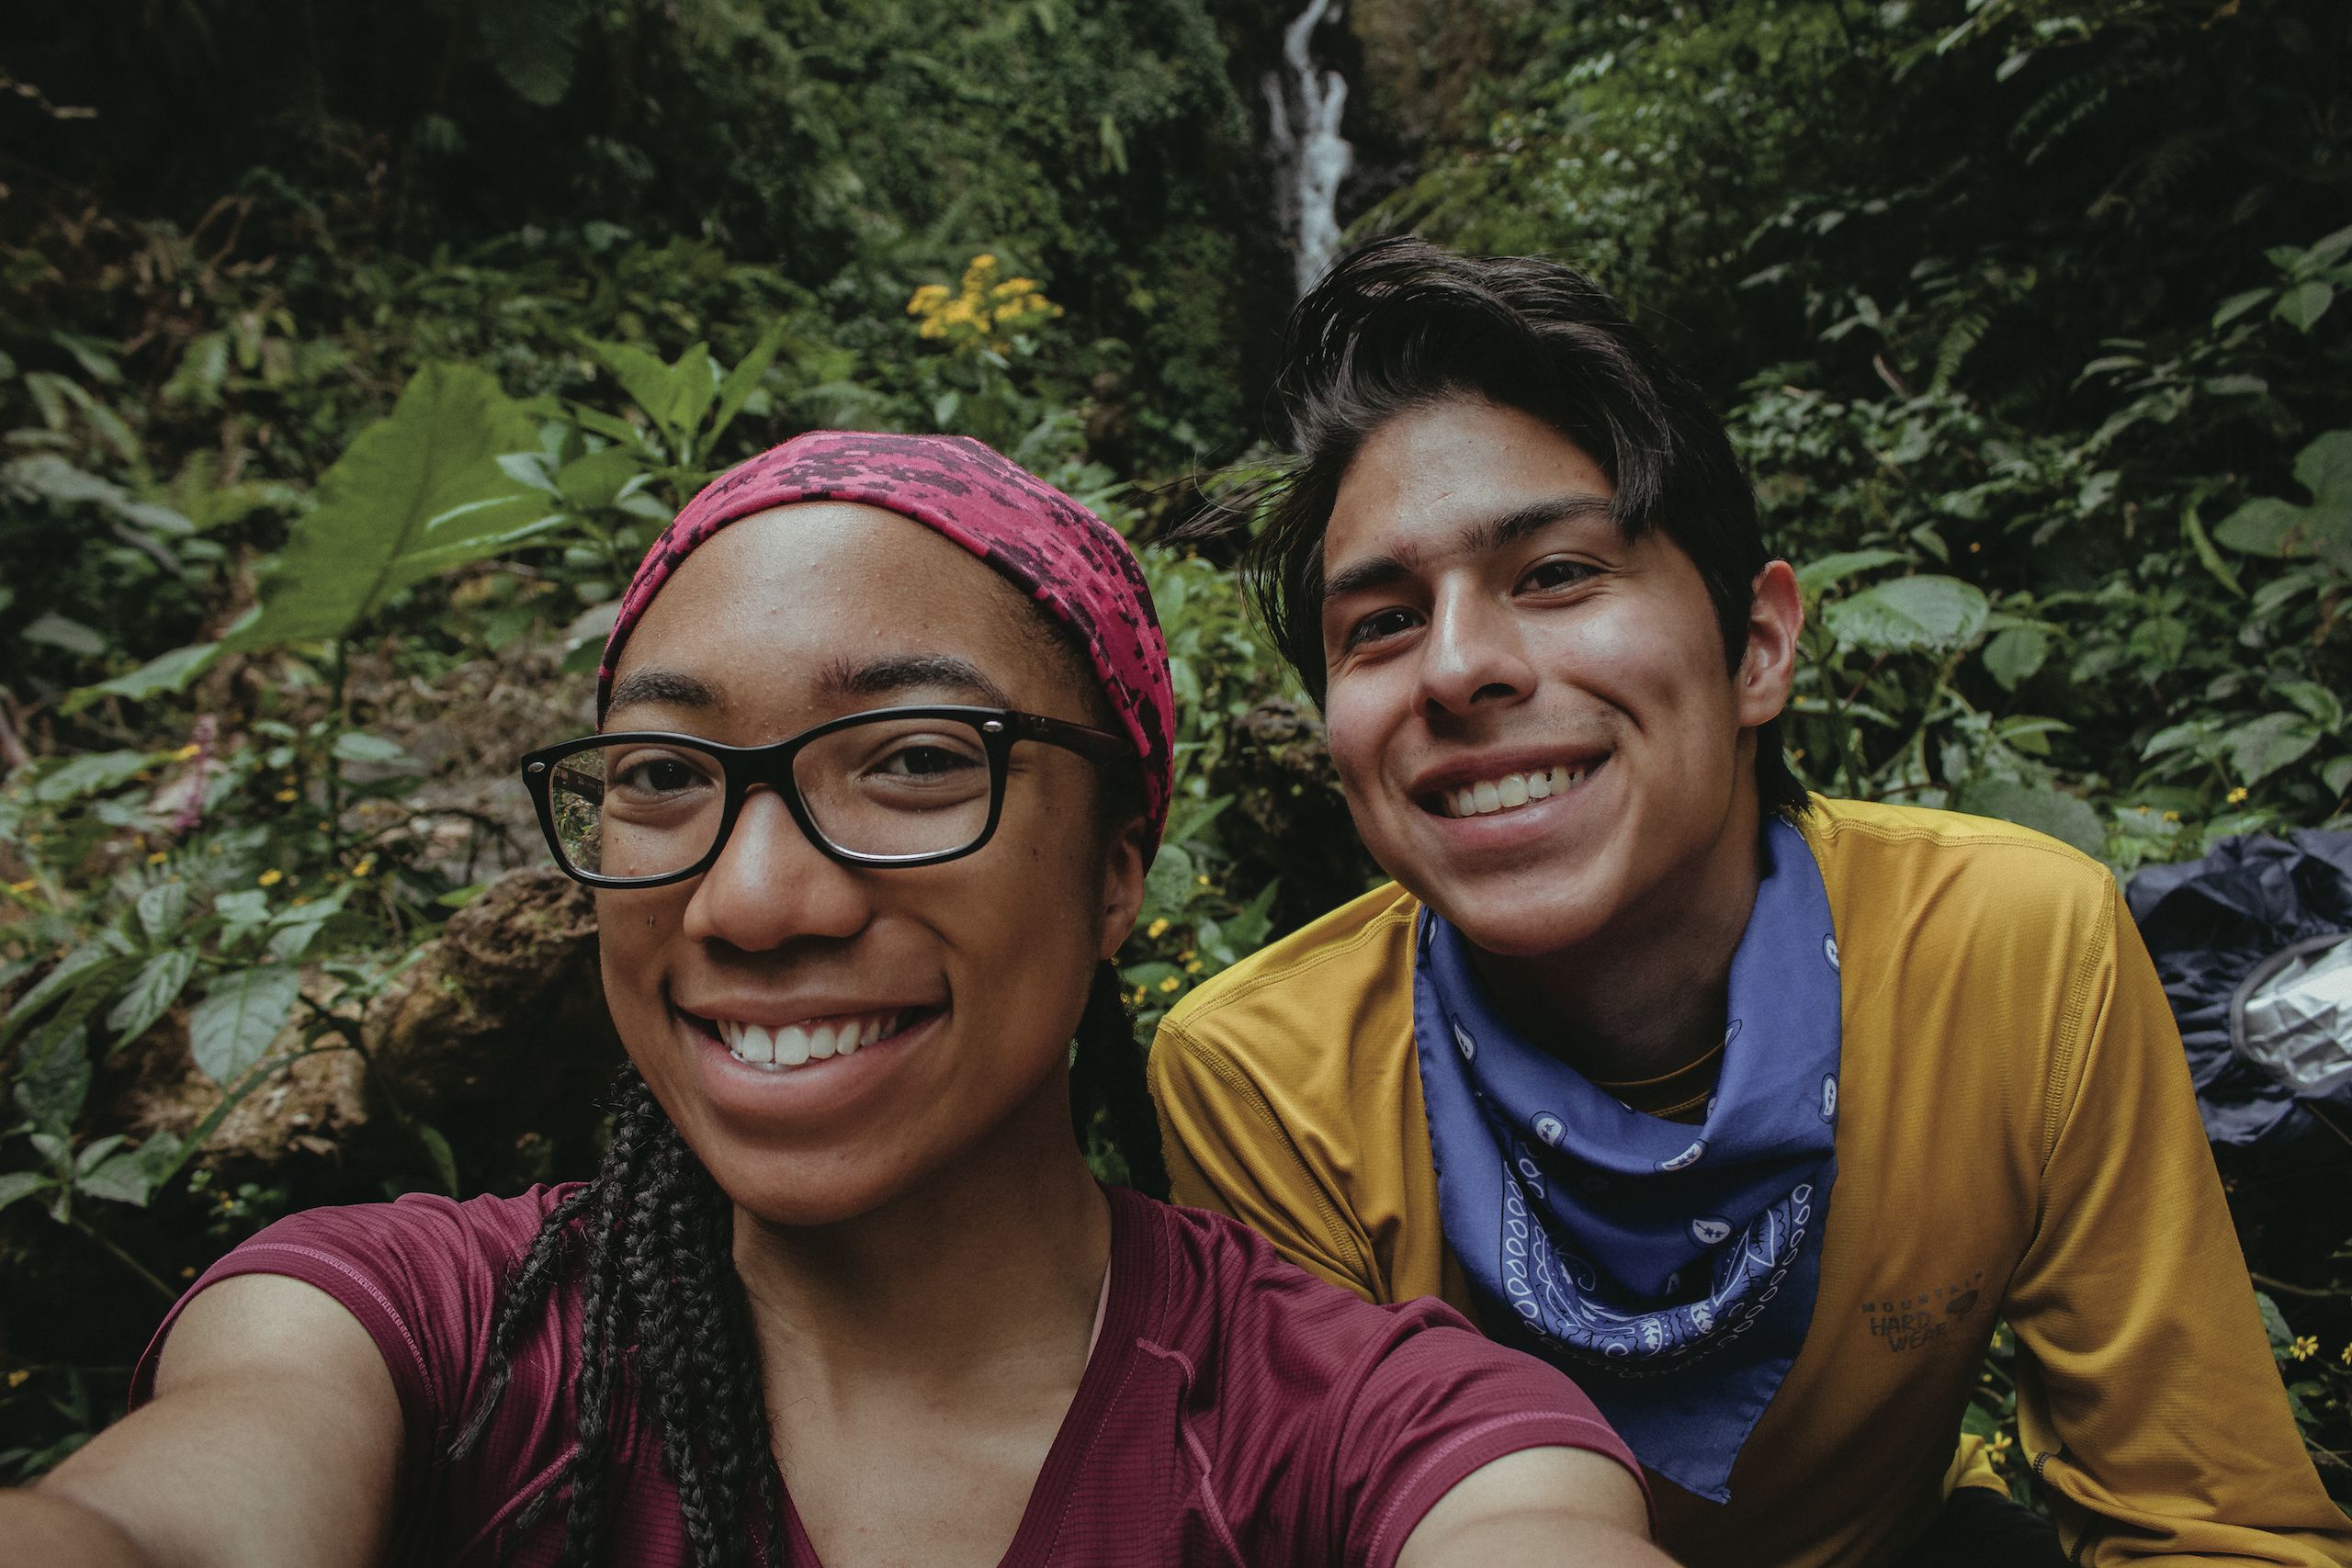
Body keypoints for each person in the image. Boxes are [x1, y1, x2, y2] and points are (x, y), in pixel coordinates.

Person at [4, 431, 1669, 1568]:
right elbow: (167, 1519)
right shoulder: (423, 1340)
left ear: (1117, 869)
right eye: (661, 774)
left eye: (917, 761)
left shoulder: (1365, 1431)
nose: (753, 900)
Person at [1147, 238, 2352, 1568]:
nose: (1456, 667)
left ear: (1758, 647)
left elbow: (2212, 1525)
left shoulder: (2008, 946)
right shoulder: (1264, 1076)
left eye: (1554, 573)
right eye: (1376, 623)